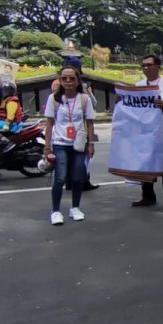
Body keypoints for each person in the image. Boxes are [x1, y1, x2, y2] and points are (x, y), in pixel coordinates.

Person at [42, 66, 96, 225]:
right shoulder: (54, 99)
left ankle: (75, 208)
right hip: (60, 144)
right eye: (64, 78)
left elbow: (90, 123)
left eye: (72, 78)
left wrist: (91, 144)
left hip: (79, 144)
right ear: (60, 80)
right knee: (60, 178)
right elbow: (49, 124)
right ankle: (56, 211)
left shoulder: (84, 99)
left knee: (78, 177)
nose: (68, 81)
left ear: (78, 80)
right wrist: (47, 147)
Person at [131, 53, 163, 209]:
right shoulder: (138, 86)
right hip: (144, 132)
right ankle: (147, 196)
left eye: (149, 65)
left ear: (158, 66)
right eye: (143, 65)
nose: (146, 68)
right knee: (145, 164)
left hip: (162, 131)